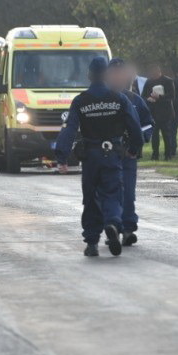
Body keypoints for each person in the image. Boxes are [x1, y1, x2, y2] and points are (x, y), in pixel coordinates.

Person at [54, 56, 143, 257]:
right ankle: (112, 223)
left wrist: (62, 157)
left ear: (89, 75)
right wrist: (134, 148)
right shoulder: (119, 98)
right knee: (112, 193)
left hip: (91, 156)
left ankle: (92, 242)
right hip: (112, 154)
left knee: (91, 198)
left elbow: (69, 129)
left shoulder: (80, 101)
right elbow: (134, 126)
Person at [108, 58, 154, 246]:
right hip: (107, 155)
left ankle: (127, 229)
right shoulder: (102, 100)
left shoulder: (135, 100)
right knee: (110, 193)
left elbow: (148, 123)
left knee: (128, 194)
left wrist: (138, 142)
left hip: (128, 155)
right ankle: (112, 226)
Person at [141, 64, 175, 161]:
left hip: (165, 112)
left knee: (166, 134)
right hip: (153, 112)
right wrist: (148, 98)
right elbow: (143, 95)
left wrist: (159, 98)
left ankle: (168, 154)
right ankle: (155, 154)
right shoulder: (149, 82)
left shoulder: (168, 81)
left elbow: (171, 96)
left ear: (159, 72)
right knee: (155, 135)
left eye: (155, 73)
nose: (153, 75)